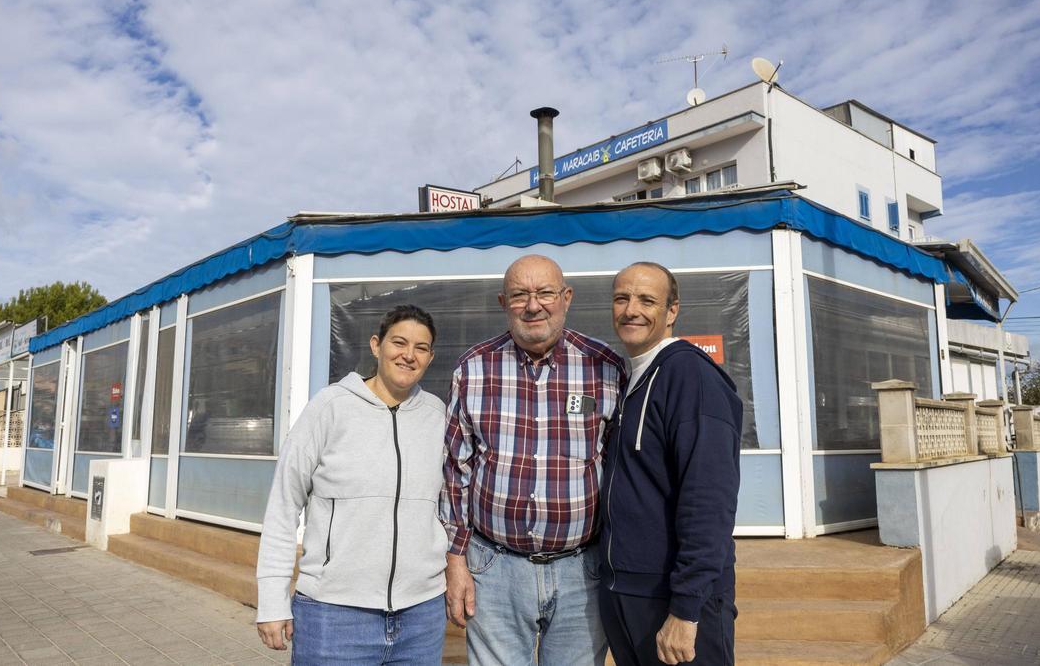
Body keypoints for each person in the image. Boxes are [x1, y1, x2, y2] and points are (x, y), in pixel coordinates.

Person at [441, 254, 626, 666]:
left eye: (545, 293)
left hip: (583, 571)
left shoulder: (605, 368)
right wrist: (455, 562)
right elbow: (455, 472)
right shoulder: (473, 369)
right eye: (519, 295)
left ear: (567, 298)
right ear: (502, 302)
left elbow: (622, 471)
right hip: (494, 569)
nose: (533, 305)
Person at [256, 305, 449, 665]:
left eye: (421, 348)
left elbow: (449, 505)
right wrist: (271, 600)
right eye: (399, 342)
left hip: (421, 616)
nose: (409, 355)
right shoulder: (330, 407)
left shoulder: (437, 416)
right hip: (334, 615)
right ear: (376, 345)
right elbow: (283, 505)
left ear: (430, 357)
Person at [599, 262, 742, 666]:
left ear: (672, 311)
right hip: (627, 591)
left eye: (647, 300)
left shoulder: (690, 376)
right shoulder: (631, 377)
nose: (632, 310)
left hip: (673, 598)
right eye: (622, 298)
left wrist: (686, 607)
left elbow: (708, 499)